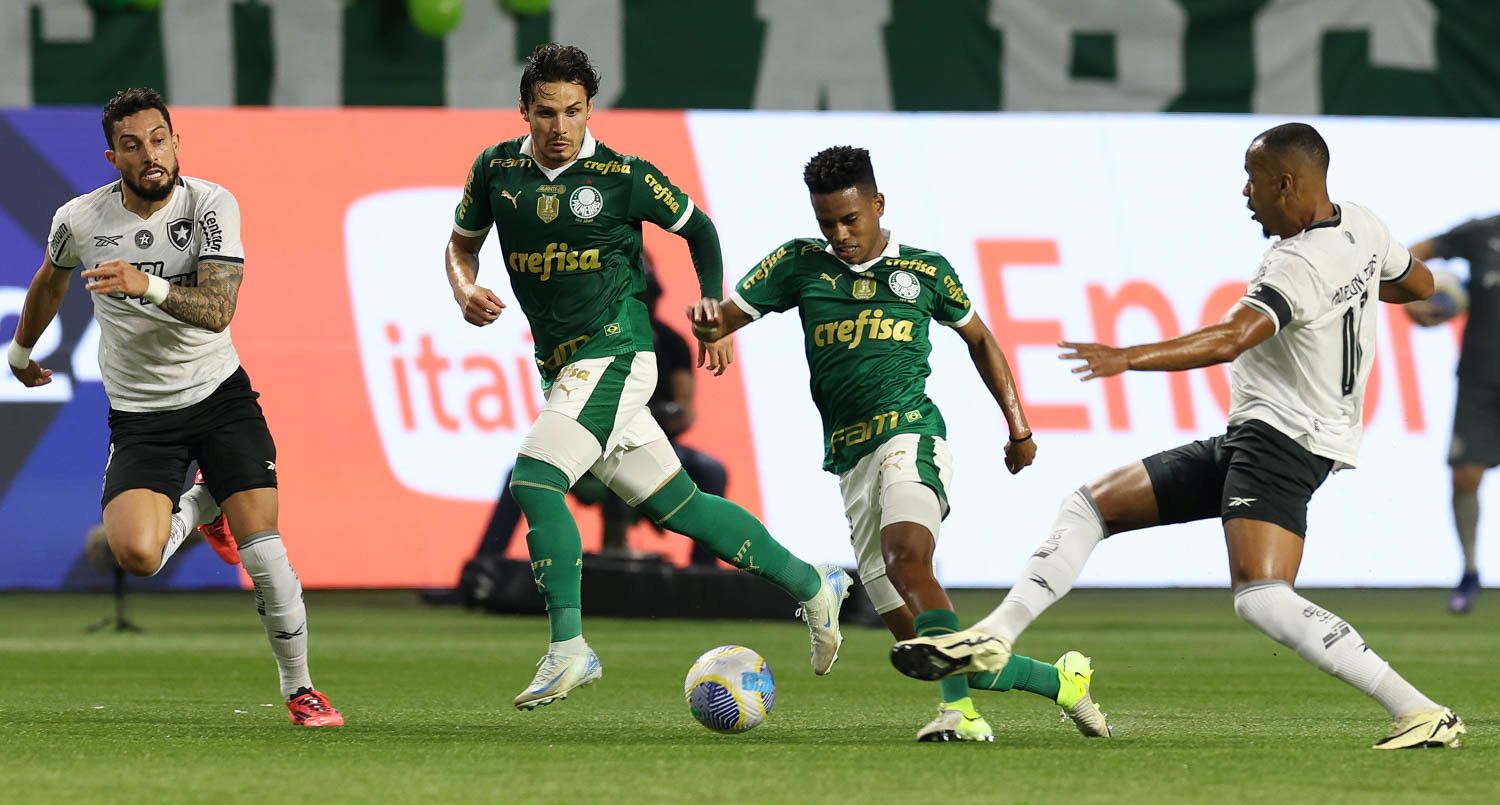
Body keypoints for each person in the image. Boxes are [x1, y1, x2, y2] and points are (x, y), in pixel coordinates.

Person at [890, 123, 1466, 750]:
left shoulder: (1299, 263)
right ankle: (996, 635)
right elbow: (1419, 285)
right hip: (1264, 436)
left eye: (1252, 180)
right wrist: (1349, 285)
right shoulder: (1361, 225)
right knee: (1090, 505)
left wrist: (1127, 357)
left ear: (1285, 183)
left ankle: (1419, 710)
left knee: (1262, 597)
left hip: (1284, 441)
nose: (1245, 193)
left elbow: (1230, 338)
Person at [444, 44, 849, 711]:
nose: (560, 126)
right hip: (563, 366)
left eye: (573, 111)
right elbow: (462, 244)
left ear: (590, 110)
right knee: (680, 506)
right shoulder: (494, 169)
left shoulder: (623, 175)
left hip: (619, 353)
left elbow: (701, 230)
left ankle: (569, 648)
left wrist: (713, 305)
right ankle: (813, 584)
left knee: (535, 479)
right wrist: (464, 289)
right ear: (524, 111)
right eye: (546, 112)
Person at [688, 146, 1111, 743]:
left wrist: (1018, 427)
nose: (839, 235)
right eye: (827, 223)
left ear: (878, 204)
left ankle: (959, 716)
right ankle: (1063, 683)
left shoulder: (924, 271)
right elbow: (723, 319)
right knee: (926, 647)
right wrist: (709, 321)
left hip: (910, 437)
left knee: (907, 558)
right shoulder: (798, 264)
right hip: (851, 460)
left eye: (849, 220)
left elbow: (981, 340)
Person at [6, 87, 342, 727]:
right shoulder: (80, 219)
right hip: (141, 417)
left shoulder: (211, 205)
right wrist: (21, 353)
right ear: (113, 157)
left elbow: (218, 311)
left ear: (176, 142)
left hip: (220, 399)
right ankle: (204, 505)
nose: (150, 154)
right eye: (132, 145)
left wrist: (146, 283)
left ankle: (301, 689)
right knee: (137, 555)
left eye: (159, 140)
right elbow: (50, 280)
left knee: (265, 555)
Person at [472, 256, 729, 567]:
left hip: (652, 441)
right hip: (589, 443)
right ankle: (484, 568)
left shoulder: (672, 344)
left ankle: (702, 575)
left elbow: (685, 413)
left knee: (711, 472)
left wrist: (649, 416)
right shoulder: (587, 336)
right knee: (523, 475)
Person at [1404, 215, 1500, 613]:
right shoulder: (1483, 233)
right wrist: (1411, 299)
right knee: (1464, 476)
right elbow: (1411, 255)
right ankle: (1470, 570)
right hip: (1481, 379)